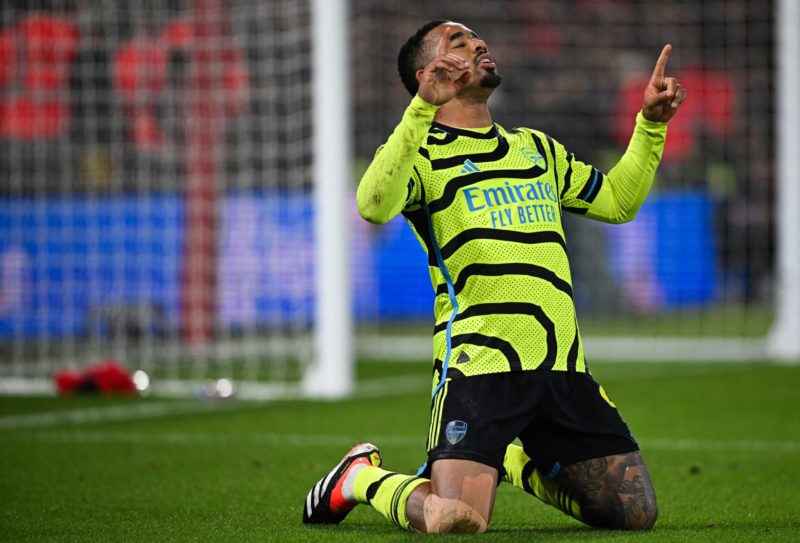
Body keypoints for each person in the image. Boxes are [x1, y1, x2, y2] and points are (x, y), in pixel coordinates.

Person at [302, 19, 686, 534]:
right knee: (456, 520)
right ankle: (360, 479)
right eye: (457, 42)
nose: (478, 44)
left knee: (633, 513)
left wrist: (650, 125)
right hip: (480, 369)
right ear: (426, 72)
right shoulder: (423, 154)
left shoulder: (536, 149)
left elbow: (616, 202)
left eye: (476, 38)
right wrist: (421, 108)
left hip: (561, 367)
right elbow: (372, 205)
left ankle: (508, 462)